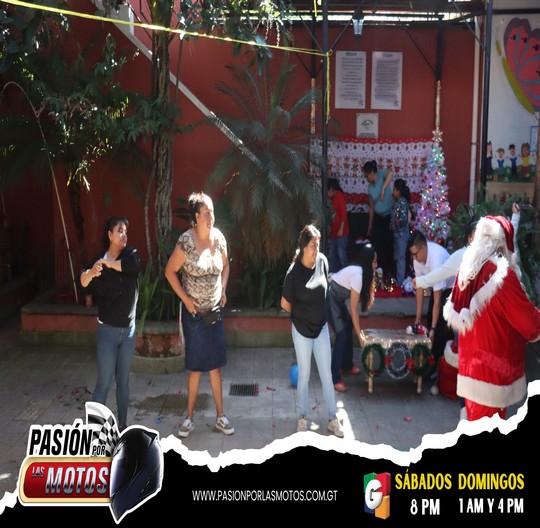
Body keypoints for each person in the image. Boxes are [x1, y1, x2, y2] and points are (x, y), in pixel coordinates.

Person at [443, 215, 540, 421]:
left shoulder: (467, 270)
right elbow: (530, 324)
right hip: (492, 373)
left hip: (471, 369)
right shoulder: (501, 275)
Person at [164, 192, 233, 438]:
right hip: (194, 316)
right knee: (195, 367)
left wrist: (222, 288)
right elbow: (169, 272)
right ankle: (189, 419)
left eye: (212, 212)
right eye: (206, 213)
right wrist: (186, 299)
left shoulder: (219, 238)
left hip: (214, 313)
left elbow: (226, 266)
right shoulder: (186, 242)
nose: (211, 217)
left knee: (215, 367)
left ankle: (221, 417)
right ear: (196, 217)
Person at [280, 224, 344, 438]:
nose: (316, 249)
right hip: (301, 331)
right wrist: (301, 316)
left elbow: (325, 290)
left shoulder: (323, 261)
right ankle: (302, 417)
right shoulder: (294, 272)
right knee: (304, 375)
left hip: (321, 329)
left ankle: (333, 418)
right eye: (312, 245)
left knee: (326, 374)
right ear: (303, 247)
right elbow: (285, 304)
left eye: (318, 245)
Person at [80, 215, 141, 432]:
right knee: (104, 383)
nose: (124, 235)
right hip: (107, 331)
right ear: (109, 235)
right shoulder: (99, 261)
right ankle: (94, 432)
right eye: (119, 231)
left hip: (128, 332)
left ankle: (122, 425)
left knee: (123, 382)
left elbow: (132, 266)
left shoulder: (130, 254)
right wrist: (91, 273)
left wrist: (109, 265)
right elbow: (83, 281)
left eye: (126, 231)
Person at [326, 243, 377, 392]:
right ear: (368, 261)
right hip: (329, 298)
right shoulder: (358, 276)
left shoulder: (361, 272)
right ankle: (334, 378)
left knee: (347, 327)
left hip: (337, 300)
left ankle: (346, 365)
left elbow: (357, 306)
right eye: (374, 262)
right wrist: (360, 336)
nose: (376, 265)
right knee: (342, 334)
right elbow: (353, 310)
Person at [408, 231, 454, 388]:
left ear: (423, 248)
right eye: (412, 255)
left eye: (415, 254)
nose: (414, 258)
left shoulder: (436, 259)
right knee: (429, 318)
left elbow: (437, 300)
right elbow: (420, 288)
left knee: (439, 326)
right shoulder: (417, 259)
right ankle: (431, 362)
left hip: (450, 288)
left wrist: (433, 328)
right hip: (436, 288)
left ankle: (439, 367)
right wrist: (417, 318)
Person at [364, 160, 394, 280]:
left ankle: (389, 271)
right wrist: (369, 225)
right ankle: (379, 271)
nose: (366, 178)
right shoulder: (370, 188)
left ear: (372, 172)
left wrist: (383, 189)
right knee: (378, 245)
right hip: (378, 217)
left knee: (389, 244)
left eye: (367, 175)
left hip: (388, 216)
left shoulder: (381, 174)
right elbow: (371, 207)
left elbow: (390, 173)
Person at [390, 178, 411, 287]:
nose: (393, 192)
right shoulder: (397, 202)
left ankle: (400, 281)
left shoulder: (402, 202)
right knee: (398, 257)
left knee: (400, 258)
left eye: (394, 189)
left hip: (401, 234)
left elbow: (402, 220)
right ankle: (399, 278)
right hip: (398, 234)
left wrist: (394, 224)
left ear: (398, 191)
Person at [327, 177, 350, 273]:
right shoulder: (331, 199)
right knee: (332, 255)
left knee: (342, 256)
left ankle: (346, 275)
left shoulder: (339, 196)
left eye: (327, 191)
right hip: (334, 232)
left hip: (342, 233)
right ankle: (333, 275)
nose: (326, 194)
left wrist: (341, 228)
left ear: (331, 189)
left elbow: (344, 214)